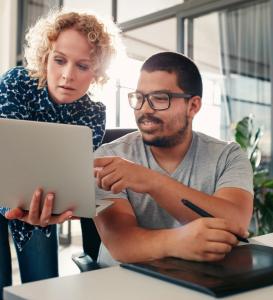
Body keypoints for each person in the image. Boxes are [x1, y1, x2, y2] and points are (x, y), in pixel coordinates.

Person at [93, 52, 254, 267]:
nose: (145, 109)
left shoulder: (228, 156)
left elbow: (235, 224)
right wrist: (178, 242)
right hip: (123, 283)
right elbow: (121, 244)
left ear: (193, 106)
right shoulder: (107, 157)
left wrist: (152, 182)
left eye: (160, 98)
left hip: (201, 280)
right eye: (139, 98)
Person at [0, 10, 120, 295]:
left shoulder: (93, 113)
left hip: (41, 205)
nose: (68, 75)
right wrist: (13, 209)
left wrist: (65, 207)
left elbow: (68, 179)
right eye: (59, 60)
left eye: (83, 65)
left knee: (45, 289)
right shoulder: (16, 83)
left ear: (97, 72)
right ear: (45, 58)